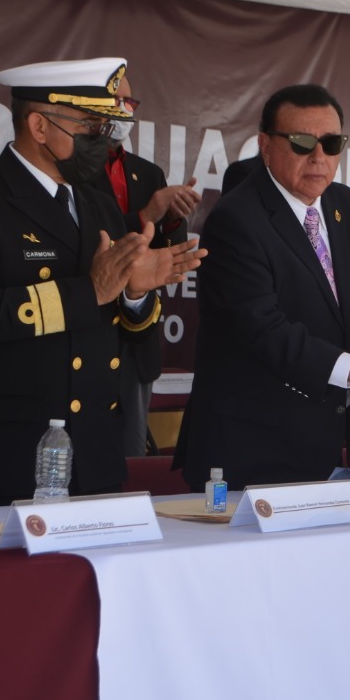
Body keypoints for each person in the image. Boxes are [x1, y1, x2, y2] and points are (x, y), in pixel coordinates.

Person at [0, 57, 204, 506]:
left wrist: (135, 294)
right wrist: (90, 291)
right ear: (39, 126)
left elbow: (125, 332)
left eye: (105, 127)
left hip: (96, 454)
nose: (103, 139)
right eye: (90, 126)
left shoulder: (100, 206)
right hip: (13, 454)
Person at [175, 84, 350, 490]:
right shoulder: (236, 219)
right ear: (265, 146)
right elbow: (262, 329)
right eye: (302, 142)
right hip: (251, 447)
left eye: (331, 143)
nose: (318, 156)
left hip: (329, 441)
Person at [90, 71, 201, 455]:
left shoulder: (147, 173)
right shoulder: (71, 170)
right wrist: (145, 216)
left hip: (137, 337)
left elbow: (169, 253)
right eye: (115, 101)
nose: (123, 110)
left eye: (129, 103)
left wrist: (170, 219)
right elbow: (89, 244)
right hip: (88, 332)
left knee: (130, 461)